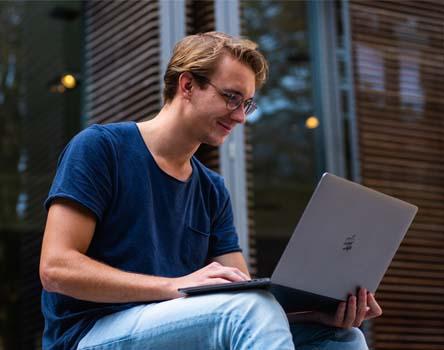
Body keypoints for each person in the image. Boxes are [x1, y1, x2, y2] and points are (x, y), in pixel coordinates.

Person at [39, 31, 382, 350]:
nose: (240, 117)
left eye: (247, 104)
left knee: (340, 337)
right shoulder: (101, 148)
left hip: (174, 327)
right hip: (89, 334)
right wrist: (173, 287)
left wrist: (313, 313)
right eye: (232, 98)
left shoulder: (211, 189)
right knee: (246, 309)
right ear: (187, 85)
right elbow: (56, 269)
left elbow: (245, 294)